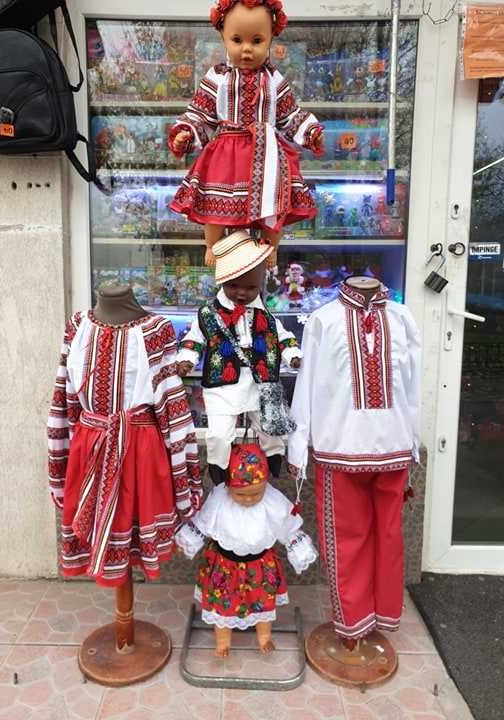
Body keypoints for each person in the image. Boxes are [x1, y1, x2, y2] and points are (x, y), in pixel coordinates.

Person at [287, 276, 422, 645]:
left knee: (388, 538)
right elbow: (307, 382)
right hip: (338, 448)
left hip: (393, 448)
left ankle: (381, 616)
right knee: (346, 540)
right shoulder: (323, 319)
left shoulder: (402, 318)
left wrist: (413, 439)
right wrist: (299, 443)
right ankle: (352, 625)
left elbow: (413, 386)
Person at [47, 285, 202, 587]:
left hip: (139, 449)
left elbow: (172, 403)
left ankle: (127, 619)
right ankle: (122, 622)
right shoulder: (77, 326)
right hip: (90, 445)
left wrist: (183, 471)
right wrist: (59, 462)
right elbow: (63, 397)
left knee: (133, 526)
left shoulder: (156, 329)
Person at [167, 0, 324, 266]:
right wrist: (187, 132)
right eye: (237, 40)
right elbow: (201, 115)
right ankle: (213, 246)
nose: (247, 49)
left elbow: (290, 115)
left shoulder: (274, 81)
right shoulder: (217, 78)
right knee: (214, 200)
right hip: (226, 153)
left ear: (271, 38)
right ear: (223, 36)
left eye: (257, 40)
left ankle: (270, 248)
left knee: (274, 201)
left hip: (267, 154)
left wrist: (309, 131)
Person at [177, 229, 301, 484]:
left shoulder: (265, 314)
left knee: (270, 428)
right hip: (223, 382)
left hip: (261, 382)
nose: (242, 293)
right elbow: (194, 338)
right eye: (233, 286)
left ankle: (275, 456)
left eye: (250, 287)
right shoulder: (208, 313)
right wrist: (187, 358)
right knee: (219, 433)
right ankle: (218, 465)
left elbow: (283, 335)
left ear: (260, 285)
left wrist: (292, 354)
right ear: (222, 281)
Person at [175, 442, 317, 656]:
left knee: (263, 604)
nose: (249, 499)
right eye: (241, 495)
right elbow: (202, 523)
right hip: (225, 567)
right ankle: (223, 641)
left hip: (260, 567)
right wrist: (188, 540)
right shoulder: (219, 499)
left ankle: (264, 637)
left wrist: (299, 548)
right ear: (228, 485)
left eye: (256, 493)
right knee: (222, 606)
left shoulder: (271, 501)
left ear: (265, 485)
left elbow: (287, 526)